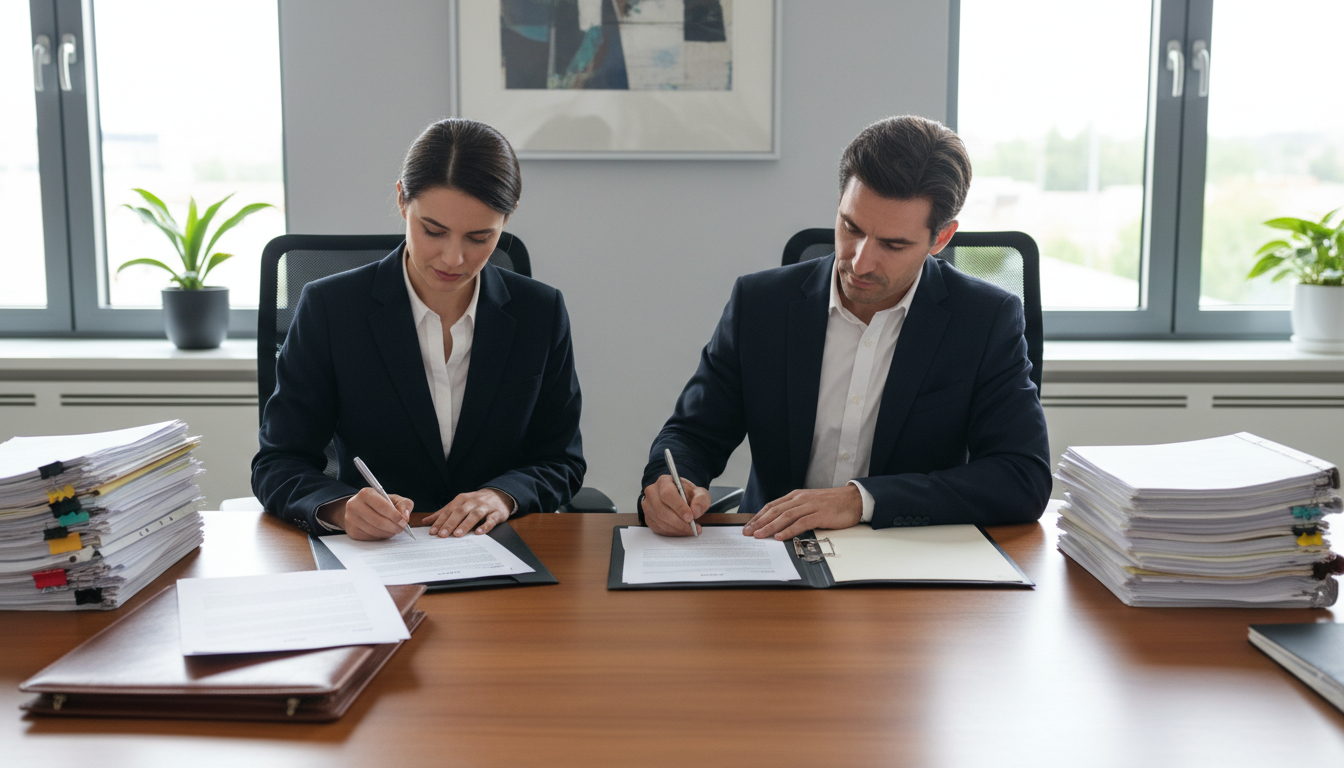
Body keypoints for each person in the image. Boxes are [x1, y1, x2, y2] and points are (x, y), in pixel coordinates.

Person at [639, 115, 1051, 539]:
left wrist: (860, 500)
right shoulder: (760, 304)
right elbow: (692, 433)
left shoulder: (984, 320)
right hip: (774, 548)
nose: (860, 262)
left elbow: (1022, 476)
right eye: (851, 228)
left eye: (893, 245)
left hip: (906, 553)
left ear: (941, 239)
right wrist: (670, 481)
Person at [253, 118, 585, 540]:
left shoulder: (540, 312)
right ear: (401, 200)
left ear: (508, 217)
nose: (453, 258)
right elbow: (278, 462)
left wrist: (503, 496)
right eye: (433, 231)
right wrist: (340, 508)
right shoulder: (331, 308)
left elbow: (561, 460)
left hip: (498, 549)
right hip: (377, 553)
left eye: (479, 237)